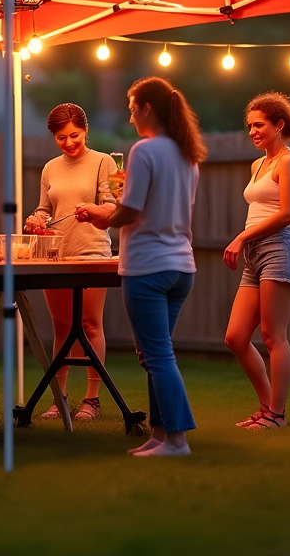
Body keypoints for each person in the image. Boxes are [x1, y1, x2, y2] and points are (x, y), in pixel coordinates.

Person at [77, 77, 206, 457]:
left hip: (148, 267)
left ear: (148, 108)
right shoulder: (187, 154)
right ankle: (159, 434)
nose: (131, 117)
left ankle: (178, 440)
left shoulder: (145, 151)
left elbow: (131, 209)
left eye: (133, 109)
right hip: (182, 266)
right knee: (156, 352)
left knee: (157, 356)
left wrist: (104, 220)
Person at [25, 103, 115, 421]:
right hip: (56, 255)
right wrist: (34, 220)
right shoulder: (50, 168)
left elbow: (113, 208)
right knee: (61, 327)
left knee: (90, 325)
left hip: (92, 252)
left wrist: (93, 209)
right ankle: (59, 397)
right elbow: (43, 208)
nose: (69, 143)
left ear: (85, 130)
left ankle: (92, 400)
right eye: (61, 138)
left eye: (74, 135)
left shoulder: (104, 162)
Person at [223, 92, 290, 430]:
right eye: (249, 126)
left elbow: (288, 213)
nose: (252, 131)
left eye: (259, 125)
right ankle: (266, 407)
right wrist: (247, 242)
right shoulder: (257, 164)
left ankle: (277, 414)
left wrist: (242, 236)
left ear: (279, 124)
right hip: (254, 256)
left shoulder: (289, 161)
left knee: (273, 335)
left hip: (278, 250)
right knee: (235, 337)